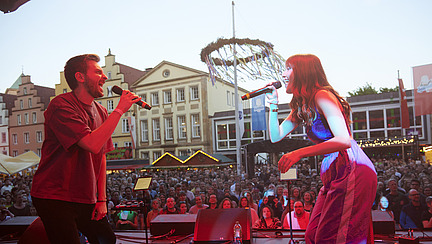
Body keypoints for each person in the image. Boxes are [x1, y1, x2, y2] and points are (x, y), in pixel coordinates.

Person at [30, 54, 141, 244]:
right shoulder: (61, 105)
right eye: (98, 72)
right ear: (80, 77)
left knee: (106, 239)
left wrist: (101, 199)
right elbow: (91, 144)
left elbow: (102, 155)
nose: (104, 77)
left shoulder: (101, 111)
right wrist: (120, 110)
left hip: (85, 196)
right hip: (55, 195)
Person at [266, 54, 377, 243]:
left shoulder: (322, 96)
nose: (283, 74)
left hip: (352, 167)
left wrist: (298, 153)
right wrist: (273, 105)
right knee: (312, 236)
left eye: (289, 68)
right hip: (334, 169)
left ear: (303, 72)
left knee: (332, 237)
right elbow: (275, 136)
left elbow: (344, 140)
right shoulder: (302, 105)